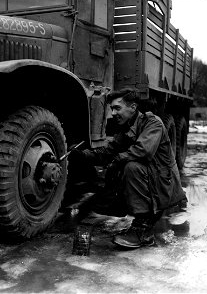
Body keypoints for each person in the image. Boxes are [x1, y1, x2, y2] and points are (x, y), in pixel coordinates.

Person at [70, 88, 187, 249]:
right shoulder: (127, 128)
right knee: (117, 176)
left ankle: (143, 231)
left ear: (133, 107)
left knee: (131, 167)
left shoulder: (153, 123)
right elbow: (108, 151)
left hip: (164, 186)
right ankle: (136, 214)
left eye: (117, 108)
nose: (112, 113)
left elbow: (143, 151)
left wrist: (115, 162)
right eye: (111, 108)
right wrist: (83, 155)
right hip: (153, 182)